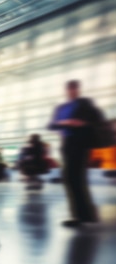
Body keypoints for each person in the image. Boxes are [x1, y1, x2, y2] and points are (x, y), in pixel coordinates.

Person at [48, 80, 101, 227]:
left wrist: (82, 123)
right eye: (70, 89)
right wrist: (65, 123)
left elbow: (97, 119)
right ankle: (84, 215)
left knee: (75, 178)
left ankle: (82, 216)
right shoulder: (61, 107)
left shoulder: (85, 104)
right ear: (66, 91)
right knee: (71, 179)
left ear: (78, 90)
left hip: (80, 144)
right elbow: (51, 125)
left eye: (75, 89)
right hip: (67, 144)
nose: (72, 91)